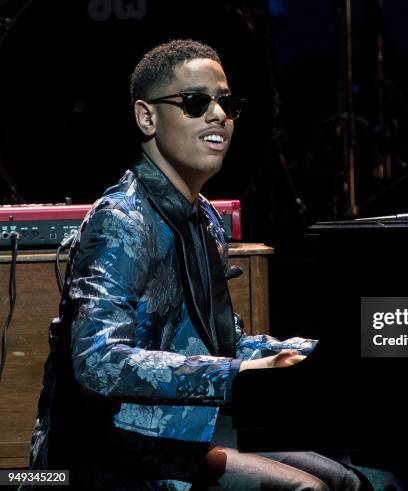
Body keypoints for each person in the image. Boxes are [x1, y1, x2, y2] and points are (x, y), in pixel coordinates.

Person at [26, 39, 363, 490]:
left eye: (226, 102)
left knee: (348, 478)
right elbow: (97, 360)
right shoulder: (121, 220)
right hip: (113, 452)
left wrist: (317, 354)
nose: (219, 115)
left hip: (182, 426)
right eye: (195, 102)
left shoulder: (203, 217)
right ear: (147, 117)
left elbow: (224, 344)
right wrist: (234, 374)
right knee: (308, 488)